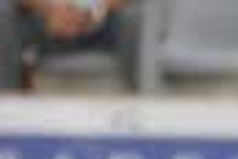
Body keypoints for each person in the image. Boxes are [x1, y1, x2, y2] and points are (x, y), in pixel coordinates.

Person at [0, 0, 141, 91]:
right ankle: (8, 106)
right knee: (4, 14)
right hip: (44, 19)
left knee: (136, 18)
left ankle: (143, 107)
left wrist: (94, 10)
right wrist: (49, 10)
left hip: (105, 20)